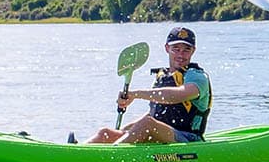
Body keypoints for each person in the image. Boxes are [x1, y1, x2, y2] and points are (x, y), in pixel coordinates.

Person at [84, 26, 212, 144]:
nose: (180, 55)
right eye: (176, 49)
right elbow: (155, 114)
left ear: (193, 51)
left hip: (190, 139)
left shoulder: (197, 76)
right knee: (106, 133)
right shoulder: (163, 76)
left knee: (147, 124)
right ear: (167, 48)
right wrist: (125, 131)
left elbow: (178, 95)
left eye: (186, 50)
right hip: (161, 134)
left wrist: (135, 94)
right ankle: (80, 150)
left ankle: (110, 156)